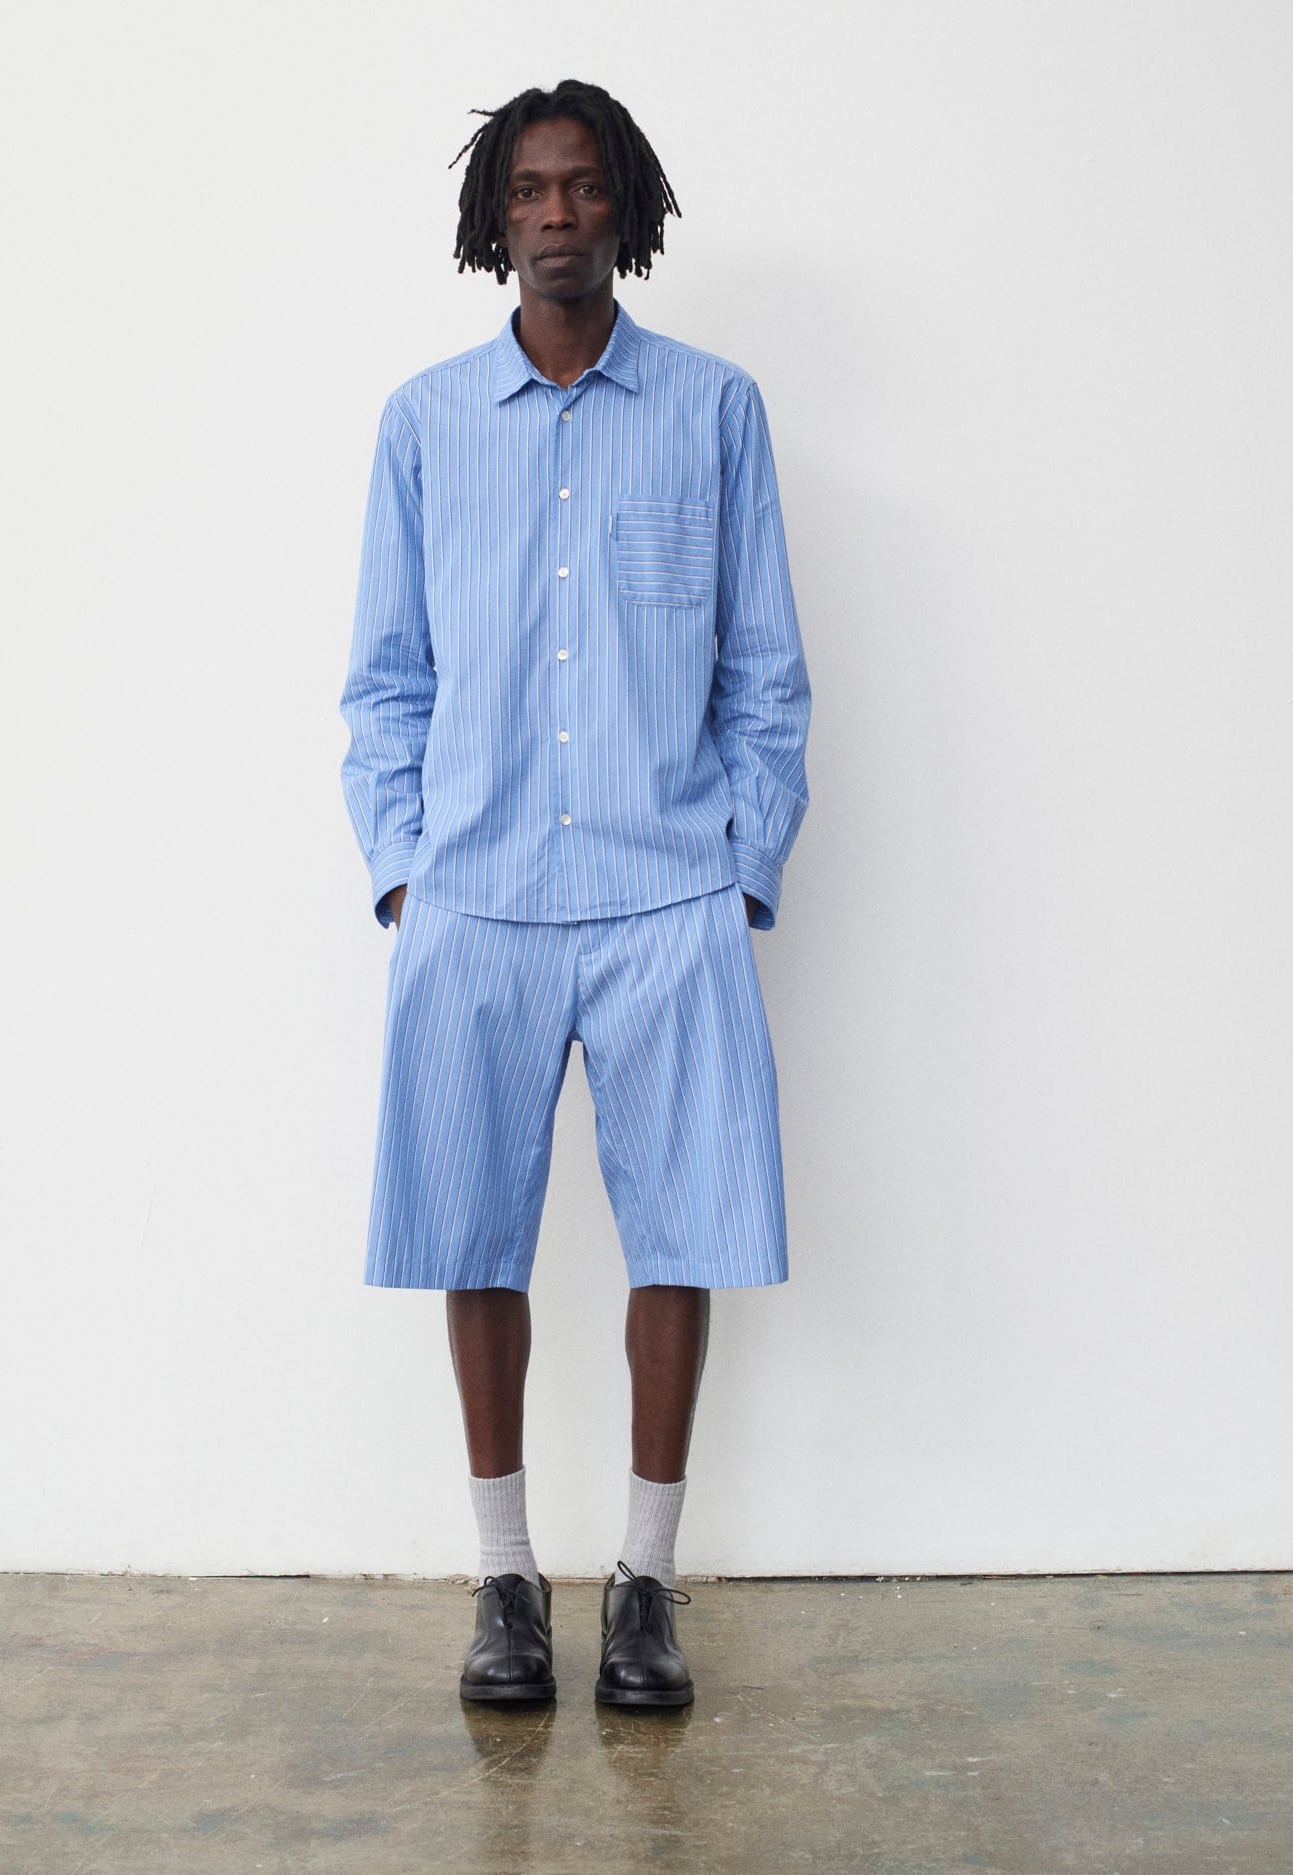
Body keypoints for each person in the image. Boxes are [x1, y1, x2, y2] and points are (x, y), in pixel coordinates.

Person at [339, 77, 810, 1709]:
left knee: (683, 1228)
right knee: (474, 1231)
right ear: (495, 218)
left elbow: (765, 671)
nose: (556, 213)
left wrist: (739, 873)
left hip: (668, 893)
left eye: (584, 185)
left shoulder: (714, 411)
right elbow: (385, 680)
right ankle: (504, 1582)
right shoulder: (422, 424)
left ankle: (647, 1586)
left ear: (629, 208)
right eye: (530, 190)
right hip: (472, 897)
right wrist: (406, 877)